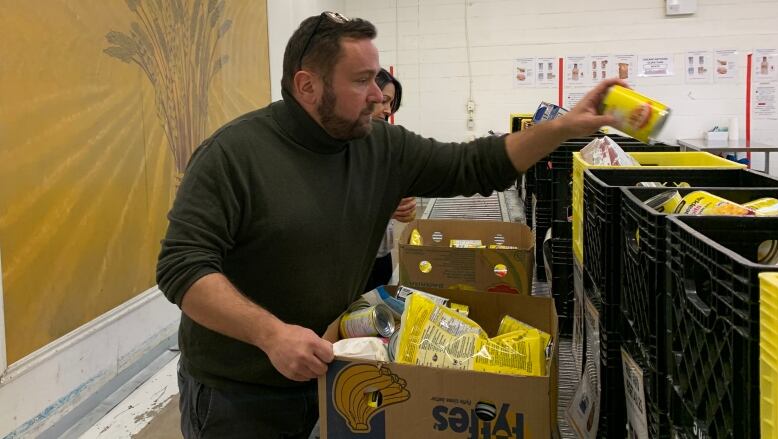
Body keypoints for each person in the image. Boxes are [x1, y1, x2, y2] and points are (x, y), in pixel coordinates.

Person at [156, 11, 622, 438]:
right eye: (361, 81)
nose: (380, 95)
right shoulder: (233, 156)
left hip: (333, 373)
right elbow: (182, 267)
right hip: (238, 395)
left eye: (377, 79)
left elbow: (474, 165)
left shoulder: (381, 147)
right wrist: (271, 335)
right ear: (307, 86)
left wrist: (561, 129)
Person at [364, 68, 415, 292]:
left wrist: (405, 208)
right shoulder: (339, 149)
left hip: (381, 253)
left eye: (391, 103)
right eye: (383, 101)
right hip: (354, 261)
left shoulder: (385, 144)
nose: (387, 110)